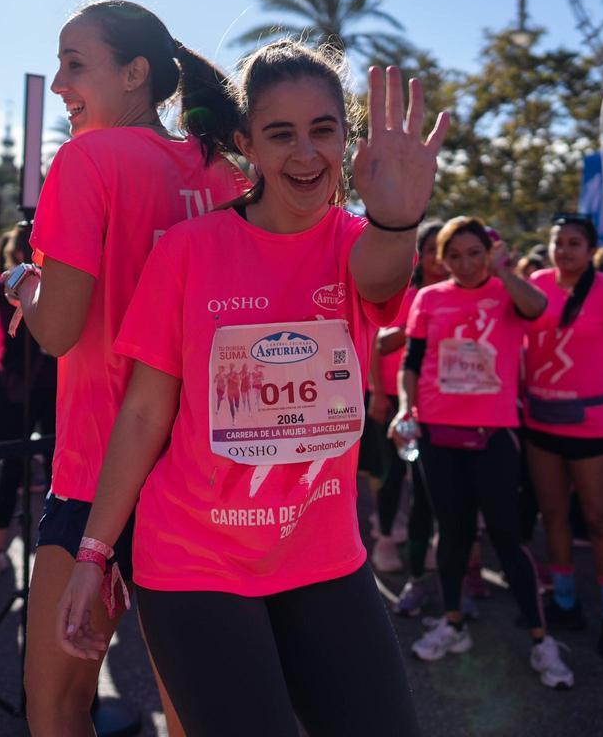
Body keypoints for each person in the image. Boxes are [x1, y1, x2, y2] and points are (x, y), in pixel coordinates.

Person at [56, 40, 446, 736]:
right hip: (194, 561)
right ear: (247, 145)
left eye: (323, 131)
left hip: (325, 560)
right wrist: (93, 552)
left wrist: (398, 217)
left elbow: (383, 277)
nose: (305, 153)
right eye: (280, 134)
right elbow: (145, 413)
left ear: (346, 139)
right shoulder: (187, 250)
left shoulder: (357, 241)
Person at [9, 0, 249, 736]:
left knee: (55, 710)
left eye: (75, 65)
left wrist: (18, 281)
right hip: (207, 478)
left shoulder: (88, 159)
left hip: (95, 472)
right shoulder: (228, 175)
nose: (58, 84)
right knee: (197, 716)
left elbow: (55, 329)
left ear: (136, 74)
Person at [391, 216, 576, 689]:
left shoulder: (504, 292)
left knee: (507, 536)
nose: (465, 264)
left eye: (474, 254)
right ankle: (452, 624)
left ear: (489, 252)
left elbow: (539, 308)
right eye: (454, 256)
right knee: (451, 534)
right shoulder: (430, 299)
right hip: (437, 431)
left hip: (493, 432)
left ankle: (541, 640)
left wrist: (506, 272)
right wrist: (407, 408)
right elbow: (411, 362)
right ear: (440, 259)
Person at [523, 213, 603, 659]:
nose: (564, 250)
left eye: (574, 243)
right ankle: (564, 600)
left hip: (594, 425)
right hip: (540, 421)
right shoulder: (533, 285)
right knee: (553, 515)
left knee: (600, 520)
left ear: (590, 249)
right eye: (557, 242)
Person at [0, 223, 57, 582]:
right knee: (52, 471)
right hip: (42, 383)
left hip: (19, 385)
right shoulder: (38, 288)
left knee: (18, 468)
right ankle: (47, 559)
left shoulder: (1, 285)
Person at [369, 220, 445, 598]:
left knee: (427, 481)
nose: (440, 259)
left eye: (442, 249)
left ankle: (428, 540)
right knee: (392, 473)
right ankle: (384, 538)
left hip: (439, 404)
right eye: (432, 250)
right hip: (396, 400)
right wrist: (380, 395)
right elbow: (376, 343)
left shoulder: (466, 297)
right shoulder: (407, 295)